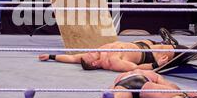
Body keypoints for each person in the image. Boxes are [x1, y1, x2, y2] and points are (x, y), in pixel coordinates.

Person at [39, 29, 187, 72]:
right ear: (96, 64)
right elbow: (136, 68)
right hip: (148, 55)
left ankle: (166, 41)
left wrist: (51, 56)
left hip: (137, 44)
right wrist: (156, 65)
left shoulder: (96, 53)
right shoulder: (112, 62)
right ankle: (173, 46)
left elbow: (72, 58)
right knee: (175, 50)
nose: (89, 52)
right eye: (91, 56)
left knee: (145, 41)